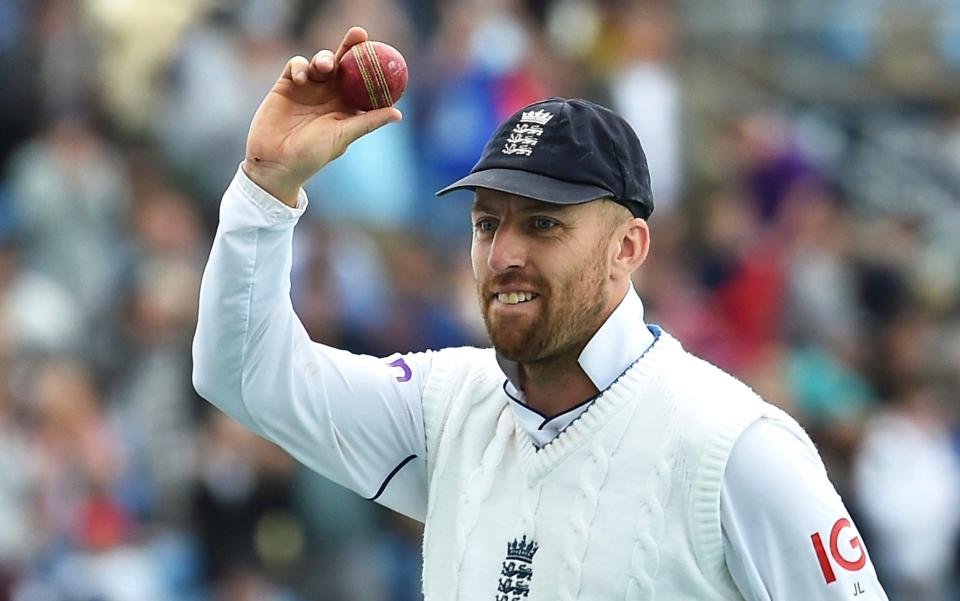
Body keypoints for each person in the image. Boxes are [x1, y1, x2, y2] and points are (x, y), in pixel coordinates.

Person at [192, 27, 888, 600]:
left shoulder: (738, 448)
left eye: (544, 226)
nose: (503, 254)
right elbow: (243, 372)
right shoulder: (445, 407)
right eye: (487, 223)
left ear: (628, 247)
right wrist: (267, 185)